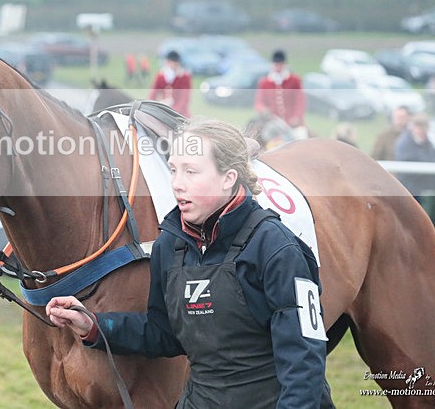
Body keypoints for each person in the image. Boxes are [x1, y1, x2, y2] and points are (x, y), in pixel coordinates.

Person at [46, 118, 331, 408]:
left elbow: (304, 360)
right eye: (173, 170)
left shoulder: (276, 247)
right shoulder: (170, 244)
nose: (177, 185)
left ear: (228, 178)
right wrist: (93, 325)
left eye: (191, 172)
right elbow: (163, 333)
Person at [254, 50, 306, 134]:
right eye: (276, 64)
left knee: (301, 135)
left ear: (285, 65)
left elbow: (300, 102)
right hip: (273, 122)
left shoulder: (295, 80)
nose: (278, 67)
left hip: (292, 123)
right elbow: (259, 102)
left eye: (280, 64)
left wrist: (297, 117)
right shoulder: (264, 82)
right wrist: (263, 110)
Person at [394, 112, 435, 200]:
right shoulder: (404, 143)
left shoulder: (427, 143)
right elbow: (407, 171)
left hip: (428, 189)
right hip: (411, 192)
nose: (423, 132)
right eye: (420, 128)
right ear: (414, 127)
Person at [148, 51, 192, 117]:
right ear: (167, 62)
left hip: (180, 112)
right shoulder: (160, 76)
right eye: (171, 64)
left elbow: (184, 98)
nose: (173, 67)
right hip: (164, 108)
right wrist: (151, 107)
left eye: (175, 65)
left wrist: (173, 111)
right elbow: (153, 94)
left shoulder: (184, 77)